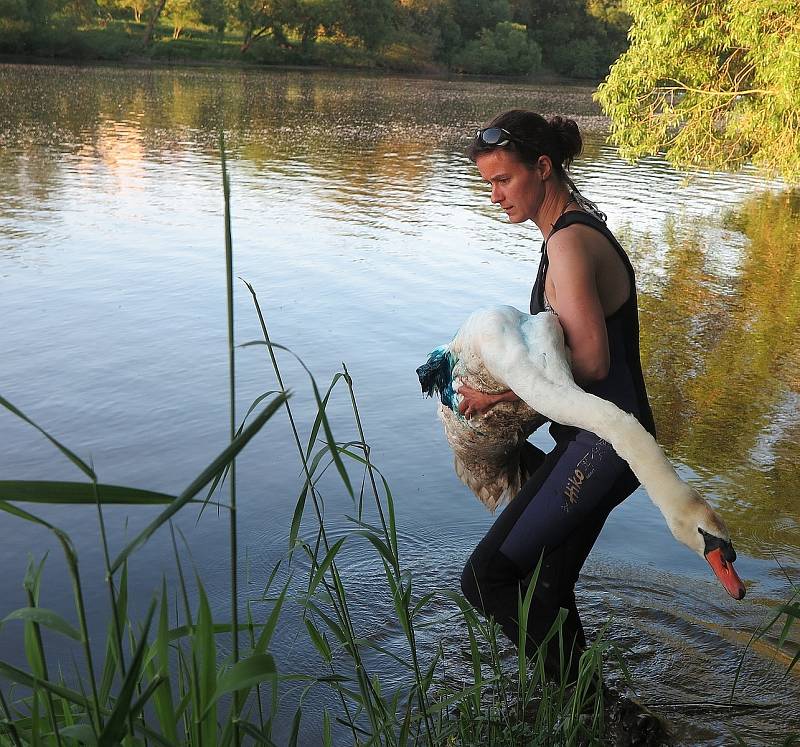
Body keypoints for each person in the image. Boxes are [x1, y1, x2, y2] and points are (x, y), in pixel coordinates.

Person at [457, 109, 656, 681]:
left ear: (542, 167)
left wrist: (499, 398)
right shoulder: (571, 230)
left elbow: (591, 362)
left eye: (503, 180)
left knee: (488, 577)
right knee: (546, 586)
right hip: (606, 440)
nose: (494, 196)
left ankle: (600, 712)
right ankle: (588, 718)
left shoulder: (569, 246)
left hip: (604, 444)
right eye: (488, 183)